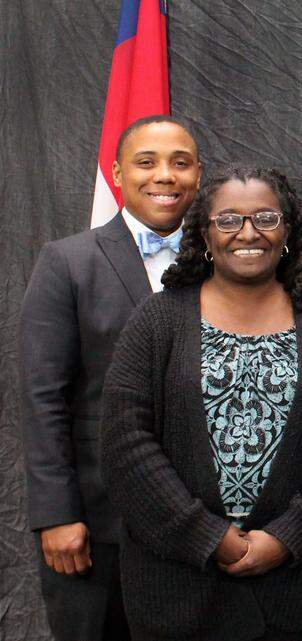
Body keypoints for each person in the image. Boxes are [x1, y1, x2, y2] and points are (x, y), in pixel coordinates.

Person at [100, 164, 302, 640]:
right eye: (228, 220)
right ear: (204, 234)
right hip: (176, 591)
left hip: (292, 591)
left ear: (287, 231)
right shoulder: (157, 321)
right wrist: (209, 538)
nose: (248, 232)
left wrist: (288, 538)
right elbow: (127, 445)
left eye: (266, 218)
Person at [20, 114, 201, 641]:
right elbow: (43, 398)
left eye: (180, 163)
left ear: (198, 175)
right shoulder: (67, 262)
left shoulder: (226, 263)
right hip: (97, 527)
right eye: (146, 162)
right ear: (118, 174)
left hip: (201, 528)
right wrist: (55, 515)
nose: (164, 175)